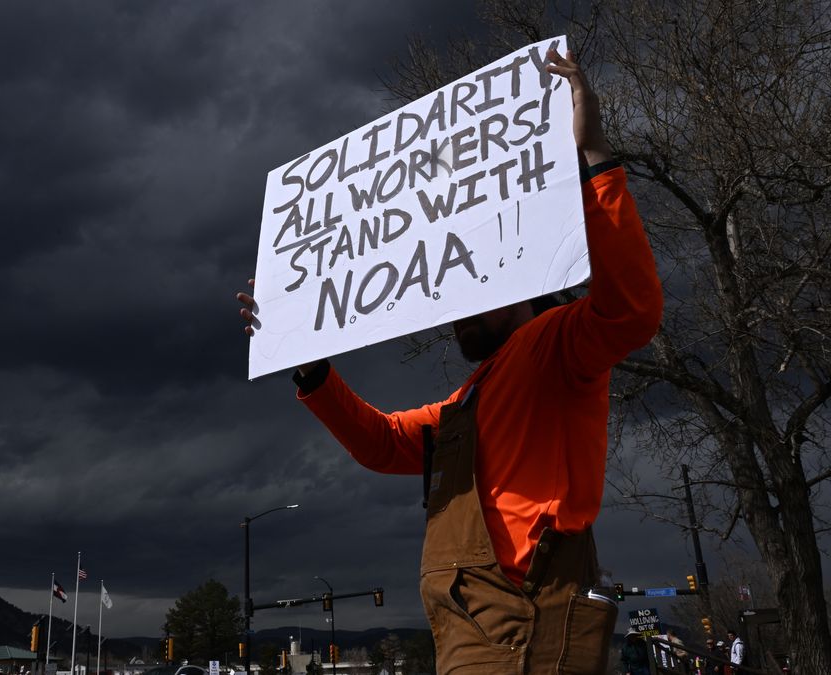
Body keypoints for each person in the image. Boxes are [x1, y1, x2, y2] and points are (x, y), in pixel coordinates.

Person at [237, 49, 663, 674]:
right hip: (469, 632)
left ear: (520, 275)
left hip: (527, 623)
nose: (456, 311)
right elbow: (381, 443)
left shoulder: (555, 341)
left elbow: (631, 312)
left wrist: (594, 158)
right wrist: (309, 364)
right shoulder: (467, 401)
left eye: (474, 292)